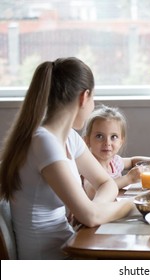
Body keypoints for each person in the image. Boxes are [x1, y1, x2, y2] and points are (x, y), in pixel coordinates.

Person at [0, 57, 133, 259]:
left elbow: (106, 183)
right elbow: (89, 216)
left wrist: (96, 207)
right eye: (93, 98)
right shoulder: (44, 142)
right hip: (47, 261)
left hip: (69, 244)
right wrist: (134, 205)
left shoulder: (69, 137)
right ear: (84, 97)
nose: (92, 105)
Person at [82, 104, 150, 198]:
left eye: (113, 137)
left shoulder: (114, 162)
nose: (107, 142)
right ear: (87, 140)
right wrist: (128, 178)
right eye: (99, 136)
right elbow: (93, 191)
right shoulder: (88, 166)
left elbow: (132, 161)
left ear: (121, 141)